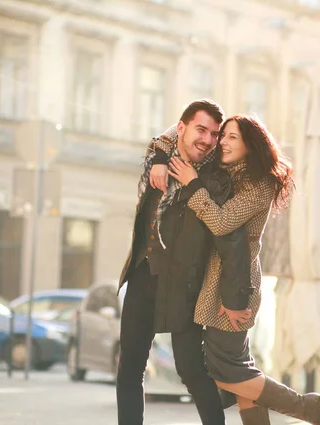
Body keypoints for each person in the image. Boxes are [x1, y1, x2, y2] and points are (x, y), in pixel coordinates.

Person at [149, 114, 320, 425]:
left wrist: (193, 185)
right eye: (223, 136)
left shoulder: (258, 184)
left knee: (226, 369)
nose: (222, 142)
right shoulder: (224, 173)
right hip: (217, 282)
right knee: (234, 366)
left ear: (251, 143)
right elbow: (172, 133)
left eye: (233, 137)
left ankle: (304, 406)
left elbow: (222, 223)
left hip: (234, 285)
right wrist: (159, 158)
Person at [116, 100, 252, 425]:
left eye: (214, 134)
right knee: (129, 368)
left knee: (191, 371)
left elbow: (231, 241)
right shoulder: (158, 160)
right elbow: (157, 142)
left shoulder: (217, 181)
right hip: (142, 274)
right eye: (200, 129)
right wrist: (161, 159)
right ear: (182, 128)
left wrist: (236, 301)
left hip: (184, 286)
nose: (207, 139)